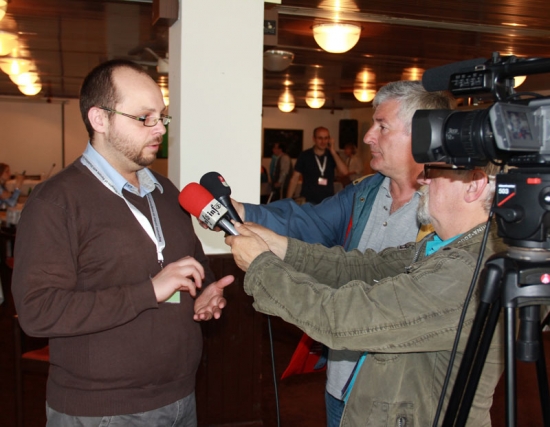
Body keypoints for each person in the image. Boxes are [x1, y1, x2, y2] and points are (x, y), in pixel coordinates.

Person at [11, 59, 234, 427]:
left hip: (182, 397)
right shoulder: (56, 201)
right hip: (102, 410)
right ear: (100, 120)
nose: (159, 128)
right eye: (144, 117)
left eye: (162, 117)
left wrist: (203, 290)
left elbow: (191, 265)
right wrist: (149, 290)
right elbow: (38, 311)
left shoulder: (166, 192)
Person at [228, 81, 455, 426]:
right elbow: (309, 223)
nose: (367, 137)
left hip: (399, 400)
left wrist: (262, 268)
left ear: (421, 136)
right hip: (342, 381)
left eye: (381, 126)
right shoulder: (365, 191)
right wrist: (242, 212)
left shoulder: (446, 215)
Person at [226, 161, 506, 426]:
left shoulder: (466, 270)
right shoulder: (445, 246)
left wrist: (263, 267)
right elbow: (361, 267)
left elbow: (342, 318)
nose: (423, 178)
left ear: (474, 185)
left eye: (433, 170)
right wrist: (280, 247)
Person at [286, 127, 349, 204]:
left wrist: (332, 151)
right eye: (320, 138)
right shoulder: (305, 155)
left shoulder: (333, 155)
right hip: (308, 200)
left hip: (327, 201)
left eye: (326, 138)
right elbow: (294, 178)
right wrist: (287, 200)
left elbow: (345, 172)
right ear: (314, 139)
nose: (323, 141)